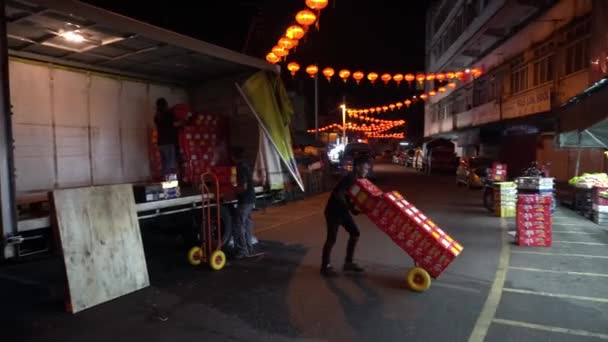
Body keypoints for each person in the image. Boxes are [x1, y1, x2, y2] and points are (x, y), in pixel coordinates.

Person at [321, 155, 371, 277]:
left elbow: (349, 197)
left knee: (355, 233)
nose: (367, 171)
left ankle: (348, 262)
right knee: (331, 239)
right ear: (358, 167)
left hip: (342, 211)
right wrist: (350, 208)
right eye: (365, 168)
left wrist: (356, 210)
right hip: (333, 212)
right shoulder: (350, 178)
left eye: (368, 168)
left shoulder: (356, 179)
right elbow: (339, 194)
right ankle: (325, 267)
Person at [231, 146, 256, 258]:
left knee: (238, 224)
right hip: (250, 199)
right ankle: (249, 248)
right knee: (247, 224)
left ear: (233, 157)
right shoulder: (246, 165)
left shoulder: (240, 167)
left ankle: (242, 251)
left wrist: (232, 193)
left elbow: (243, 186)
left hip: (245, 200)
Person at [154, 98, 181, 178]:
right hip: (168, 143)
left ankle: (166, 183)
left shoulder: (157, 116)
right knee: (171, 165)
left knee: (165, 164)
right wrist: (184, 122)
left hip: (161, 143)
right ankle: (171, 186)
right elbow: (174, 124)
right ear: (165, 105)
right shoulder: (168, 114)